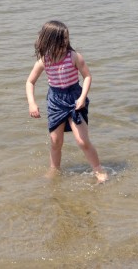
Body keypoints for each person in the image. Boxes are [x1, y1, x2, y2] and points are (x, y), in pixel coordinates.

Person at [26, 20, 108, 182]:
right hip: (55, 100)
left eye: (66, 38)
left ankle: (98, 169)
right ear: (49, 40)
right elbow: (30, 82)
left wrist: (83, 97)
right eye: (61, 39)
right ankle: (54, 169)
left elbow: (87, 77)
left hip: (74, 98)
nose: (65, 42)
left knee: (82, 140)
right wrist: (32, 103)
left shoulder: (74, 57)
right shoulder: (44, 60)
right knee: (56, 141)